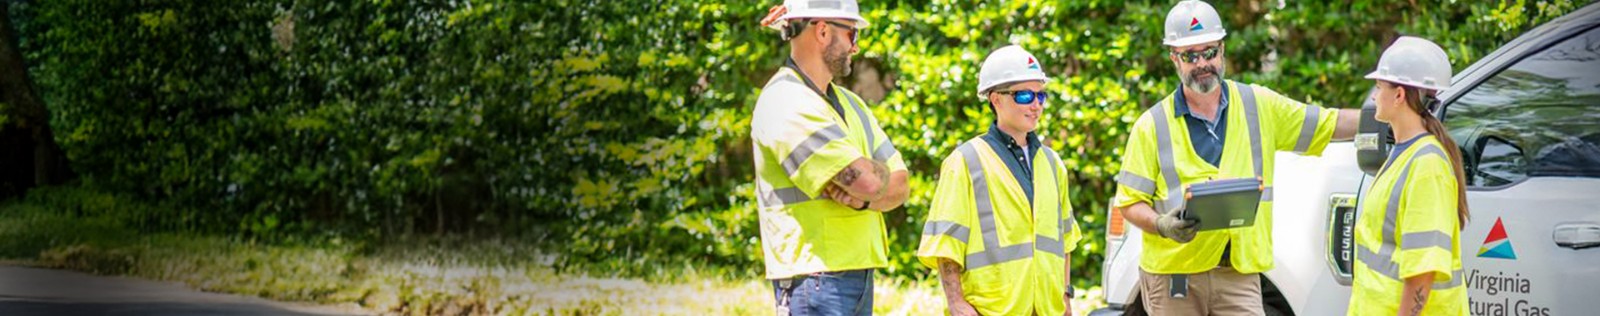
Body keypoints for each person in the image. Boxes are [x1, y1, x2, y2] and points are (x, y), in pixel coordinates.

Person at [1111, 0, 1363, 314]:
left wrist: (1386, 115)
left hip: (1238, 274)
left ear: (1223, 50)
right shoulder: (1152, 126)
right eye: (1191, 56)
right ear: (1174, 58)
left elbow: (1329, 123)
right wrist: (1162, 224)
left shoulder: (1258, 105)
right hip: (1174, 275)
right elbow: (1130, 202)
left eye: (1210, 52)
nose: (1203, 63)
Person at [750, 0, 910, 315]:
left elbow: (901, 184)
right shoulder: (786, 100)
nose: (855, 47)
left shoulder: (851, 104)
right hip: (813, 280)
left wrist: (862, 199)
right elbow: (866, 181)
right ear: (822, 31)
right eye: (852, 34)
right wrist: (870, 185)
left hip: (854, 275)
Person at [916, 45, 1082, 316]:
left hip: (1046, 310)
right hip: (990, 309)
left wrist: (1065, 297)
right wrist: (956, 302)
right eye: (1025, 95)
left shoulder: (1053, 164)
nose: (1036, 104)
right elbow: (946, 242)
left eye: (1041, 95)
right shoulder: (965, 161)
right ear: (996, 99)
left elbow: (1065, 241)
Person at [1348, 36, 1470, 316]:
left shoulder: (1427, 166)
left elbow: (1423, 269)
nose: (1375, 96)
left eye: (1379, 87)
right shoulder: (1403, 153)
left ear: (1399, 95)